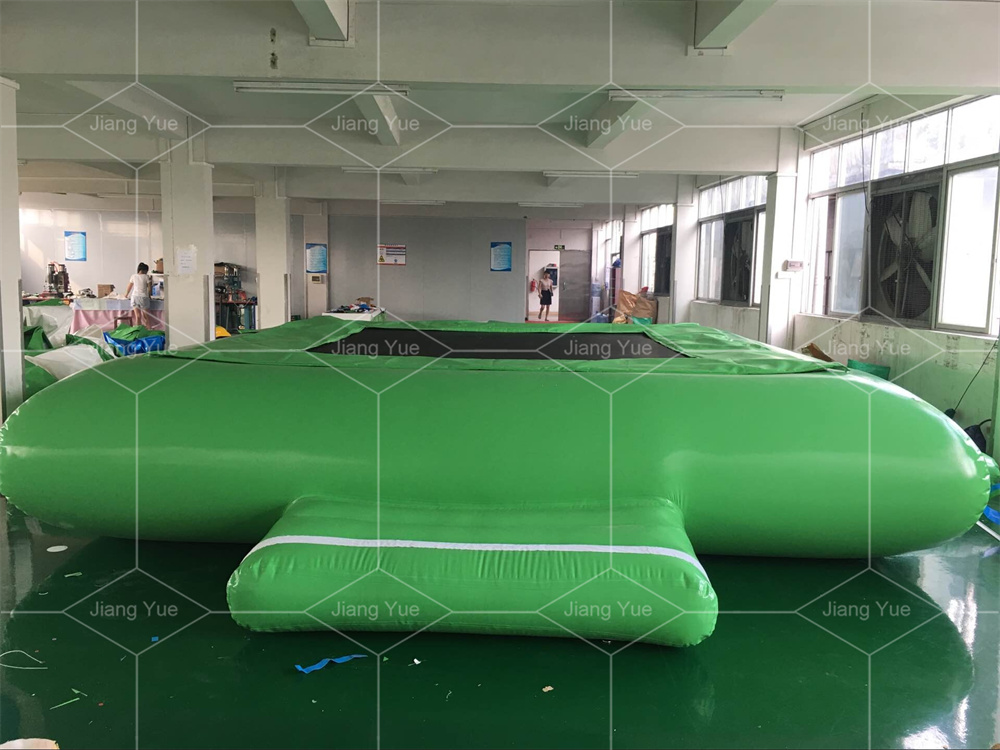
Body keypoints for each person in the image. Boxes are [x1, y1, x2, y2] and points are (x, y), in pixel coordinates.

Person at [124, 262, 152, 328]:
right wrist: (149, 296)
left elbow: (129, 287)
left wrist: (126, 294)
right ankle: (148, 329)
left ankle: (138, 330)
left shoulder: (133, 276)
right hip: (143, 297)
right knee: (146, 316)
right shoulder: (146, 277)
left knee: (138, 316)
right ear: (144, 270)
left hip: (134, 297)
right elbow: (149, 288)